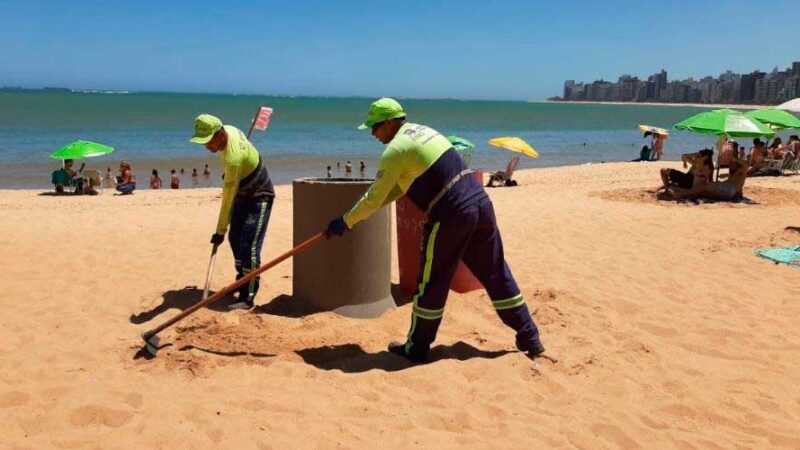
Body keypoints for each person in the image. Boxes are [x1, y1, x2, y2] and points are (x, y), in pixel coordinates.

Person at [325, 98, 545, 364]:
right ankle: (530, 337)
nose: (373, 133)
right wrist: (351, 220)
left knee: (432, 281)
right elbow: (394, 191)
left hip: (450, 214)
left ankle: (416, 348)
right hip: (481, 204)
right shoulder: (425, 132)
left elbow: (374, 197)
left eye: (376, 126)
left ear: (392, 122)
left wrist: (346, 221)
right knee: (496, 272)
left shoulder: (395, 150)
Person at [190, 114, 276, 310]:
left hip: (259, 196)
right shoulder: (230, 128)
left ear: (220, 134)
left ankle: (248, 297)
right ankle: (241, 282)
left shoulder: (233, 159)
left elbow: (227, 200)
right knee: (234, 239)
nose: (206, 146)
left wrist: (219, 231)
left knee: (249, 246)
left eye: (209, 141)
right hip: (241, 193)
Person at [666, 154, 750, 202]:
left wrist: (734, 159)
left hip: (727, 188)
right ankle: (681, 192)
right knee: (703, 191)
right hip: (729, 191)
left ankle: (680, 194)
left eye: (732, 164)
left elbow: (747, 165)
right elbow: (739, 189)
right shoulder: (738, 175)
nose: (730, 165)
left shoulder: (741, 171)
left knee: (702, 187)